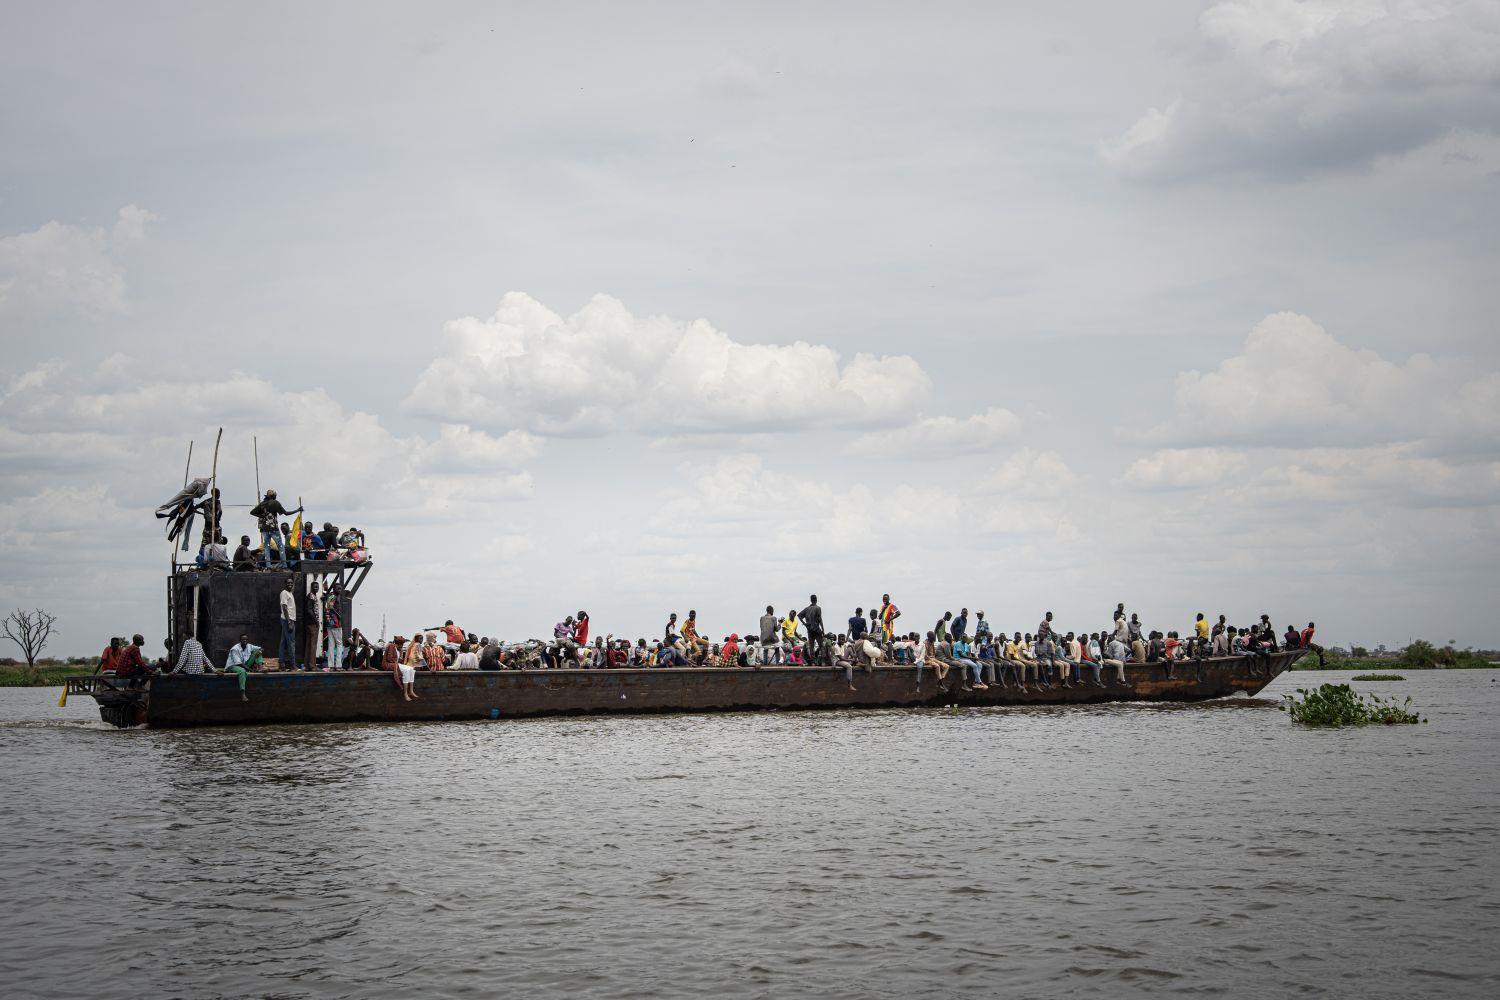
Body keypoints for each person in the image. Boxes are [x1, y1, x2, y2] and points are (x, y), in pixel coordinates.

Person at [250, 490, 301, 568]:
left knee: (266, 547)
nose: (276, 497)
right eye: (275, 495)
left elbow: (252, 512)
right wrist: (298, 510)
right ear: (273, 496)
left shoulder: (262, 504)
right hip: (273, 528)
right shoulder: (275, 503)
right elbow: (286, 513)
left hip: (265, 529)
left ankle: (268, 565)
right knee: (280, 546)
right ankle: (284, 564)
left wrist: (262, 516)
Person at [223, 634, 260, 701]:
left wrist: (260, 651)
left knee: (258, 652)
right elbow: (239, 664)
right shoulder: (235, 649)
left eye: (246, 639)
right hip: (233, 666)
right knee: (242, 671)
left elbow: (260, 648)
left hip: (244, 665)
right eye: (243, 639)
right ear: (240, 640)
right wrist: (250, 670)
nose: (245, 641)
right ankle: (242, 693)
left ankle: (259, 668)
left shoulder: (249, 646)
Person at [323, 583, 345, 670]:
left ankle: (331, 665)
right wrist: (338, 615)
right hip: (336, 623)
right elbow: (330, 607)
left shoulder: (330, 596)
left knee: (331, 644)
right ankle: (339, 665)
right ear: (334, 589)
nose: (339, 590)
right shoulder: (334, 597)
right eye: (338, 589)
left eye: (340, 589)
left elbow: (327, 607)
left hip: (329, 623)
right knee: (339, 644)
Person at [278, 579, 298, 669]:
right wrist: (289, 622)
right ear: (285, 584)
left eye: (291, 583)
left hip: (288, 620)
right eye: (288, 583)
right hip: (288, 620)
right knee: (291, 643)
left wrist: (296, 579)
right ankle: (292, 665)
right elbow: (284, 607)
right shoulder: (284, 593)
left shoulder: (289, 593)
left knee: (283, 642)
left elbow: (292, 588)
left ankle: (282, 663)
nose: (290, 584)